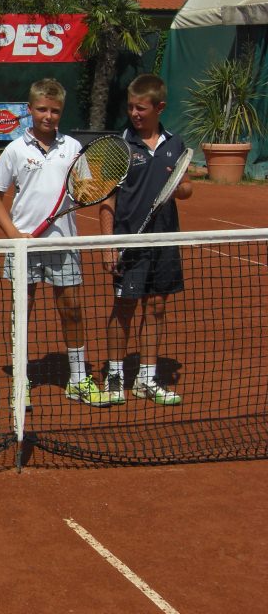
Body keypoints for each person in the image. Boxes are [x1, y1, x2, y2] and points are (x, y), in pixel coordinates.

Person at [0, 78, 112, 408]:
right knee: (22, 314)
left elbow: (85, 188)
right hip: (24, 247)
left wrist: (86, 191)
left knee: (72, 310)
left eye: (55, 111)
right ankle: (21, 379)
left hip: (63, 243)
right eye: (42, 109)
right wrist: (14, 236)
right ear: (30, 110)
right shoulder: (15, 149)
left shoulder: (72, 148)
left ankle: (77, 378)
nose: (48, 116)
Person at [100, 73, 192, 405]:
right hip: (129, 241)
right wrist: (108, 244)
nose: (135, 114)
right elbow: (107, 200)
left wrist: (178, 187)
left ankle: (147, 379)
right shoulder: (120, 145)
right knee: (123, 308)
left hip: (164, 241)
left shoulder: (176, 144)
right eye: (131, 108)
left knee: (156, 308)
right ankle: (114, 376)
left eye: (141, 108)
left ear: (159, 107)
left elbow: (187, 188)